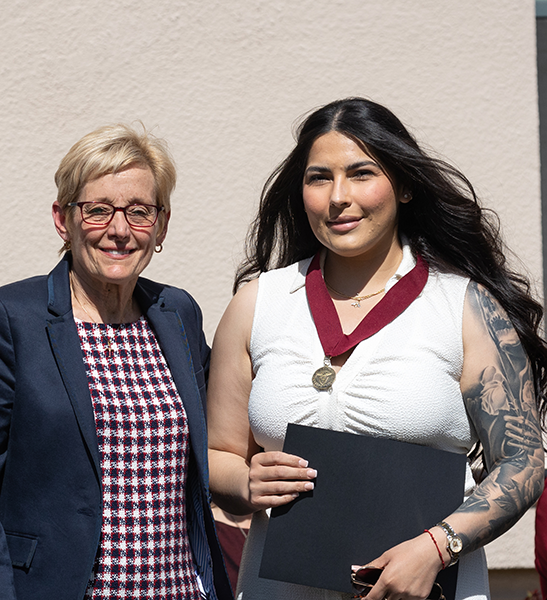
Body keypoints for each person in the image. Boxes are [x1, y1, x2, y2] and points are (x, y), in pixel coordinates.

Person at [207, 98, 547, 600]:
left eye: (362, 173)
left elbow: (523, 460)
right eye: (319, 177)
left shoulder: (465, 306)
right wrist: (244, 482)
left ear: (405, 186)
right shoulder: (257, 303)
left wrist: (436, 547)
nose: (339, 197)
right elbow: (219, 454)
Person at [0, 124, 233, 600]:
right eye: (98, 210)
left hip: (180, 589)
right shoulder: (7, 319)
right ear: (63, 219)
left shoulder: (177, 312)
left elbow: (218, 444)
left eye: (139, 212)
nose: (119, 230)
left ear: (161, 225)